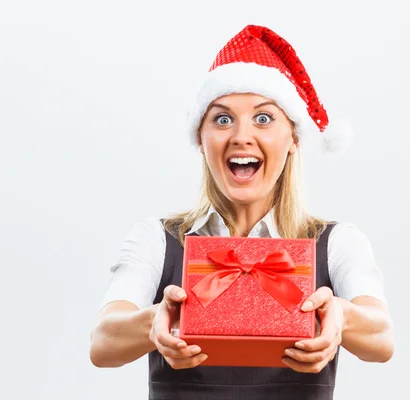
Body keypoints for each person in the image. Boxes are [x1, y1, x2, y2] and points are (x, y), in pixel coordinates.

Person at [89, 24, 394, 400]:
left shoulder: (336, 242)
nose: (240, 136)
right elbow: (102, 342)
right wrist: (153, 320)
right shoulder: (157, 238)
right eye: (221, 118)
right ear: (201, 139)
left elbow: (382, 339)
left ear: (294, 137)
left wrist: (341, 316)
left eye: (263, 118)